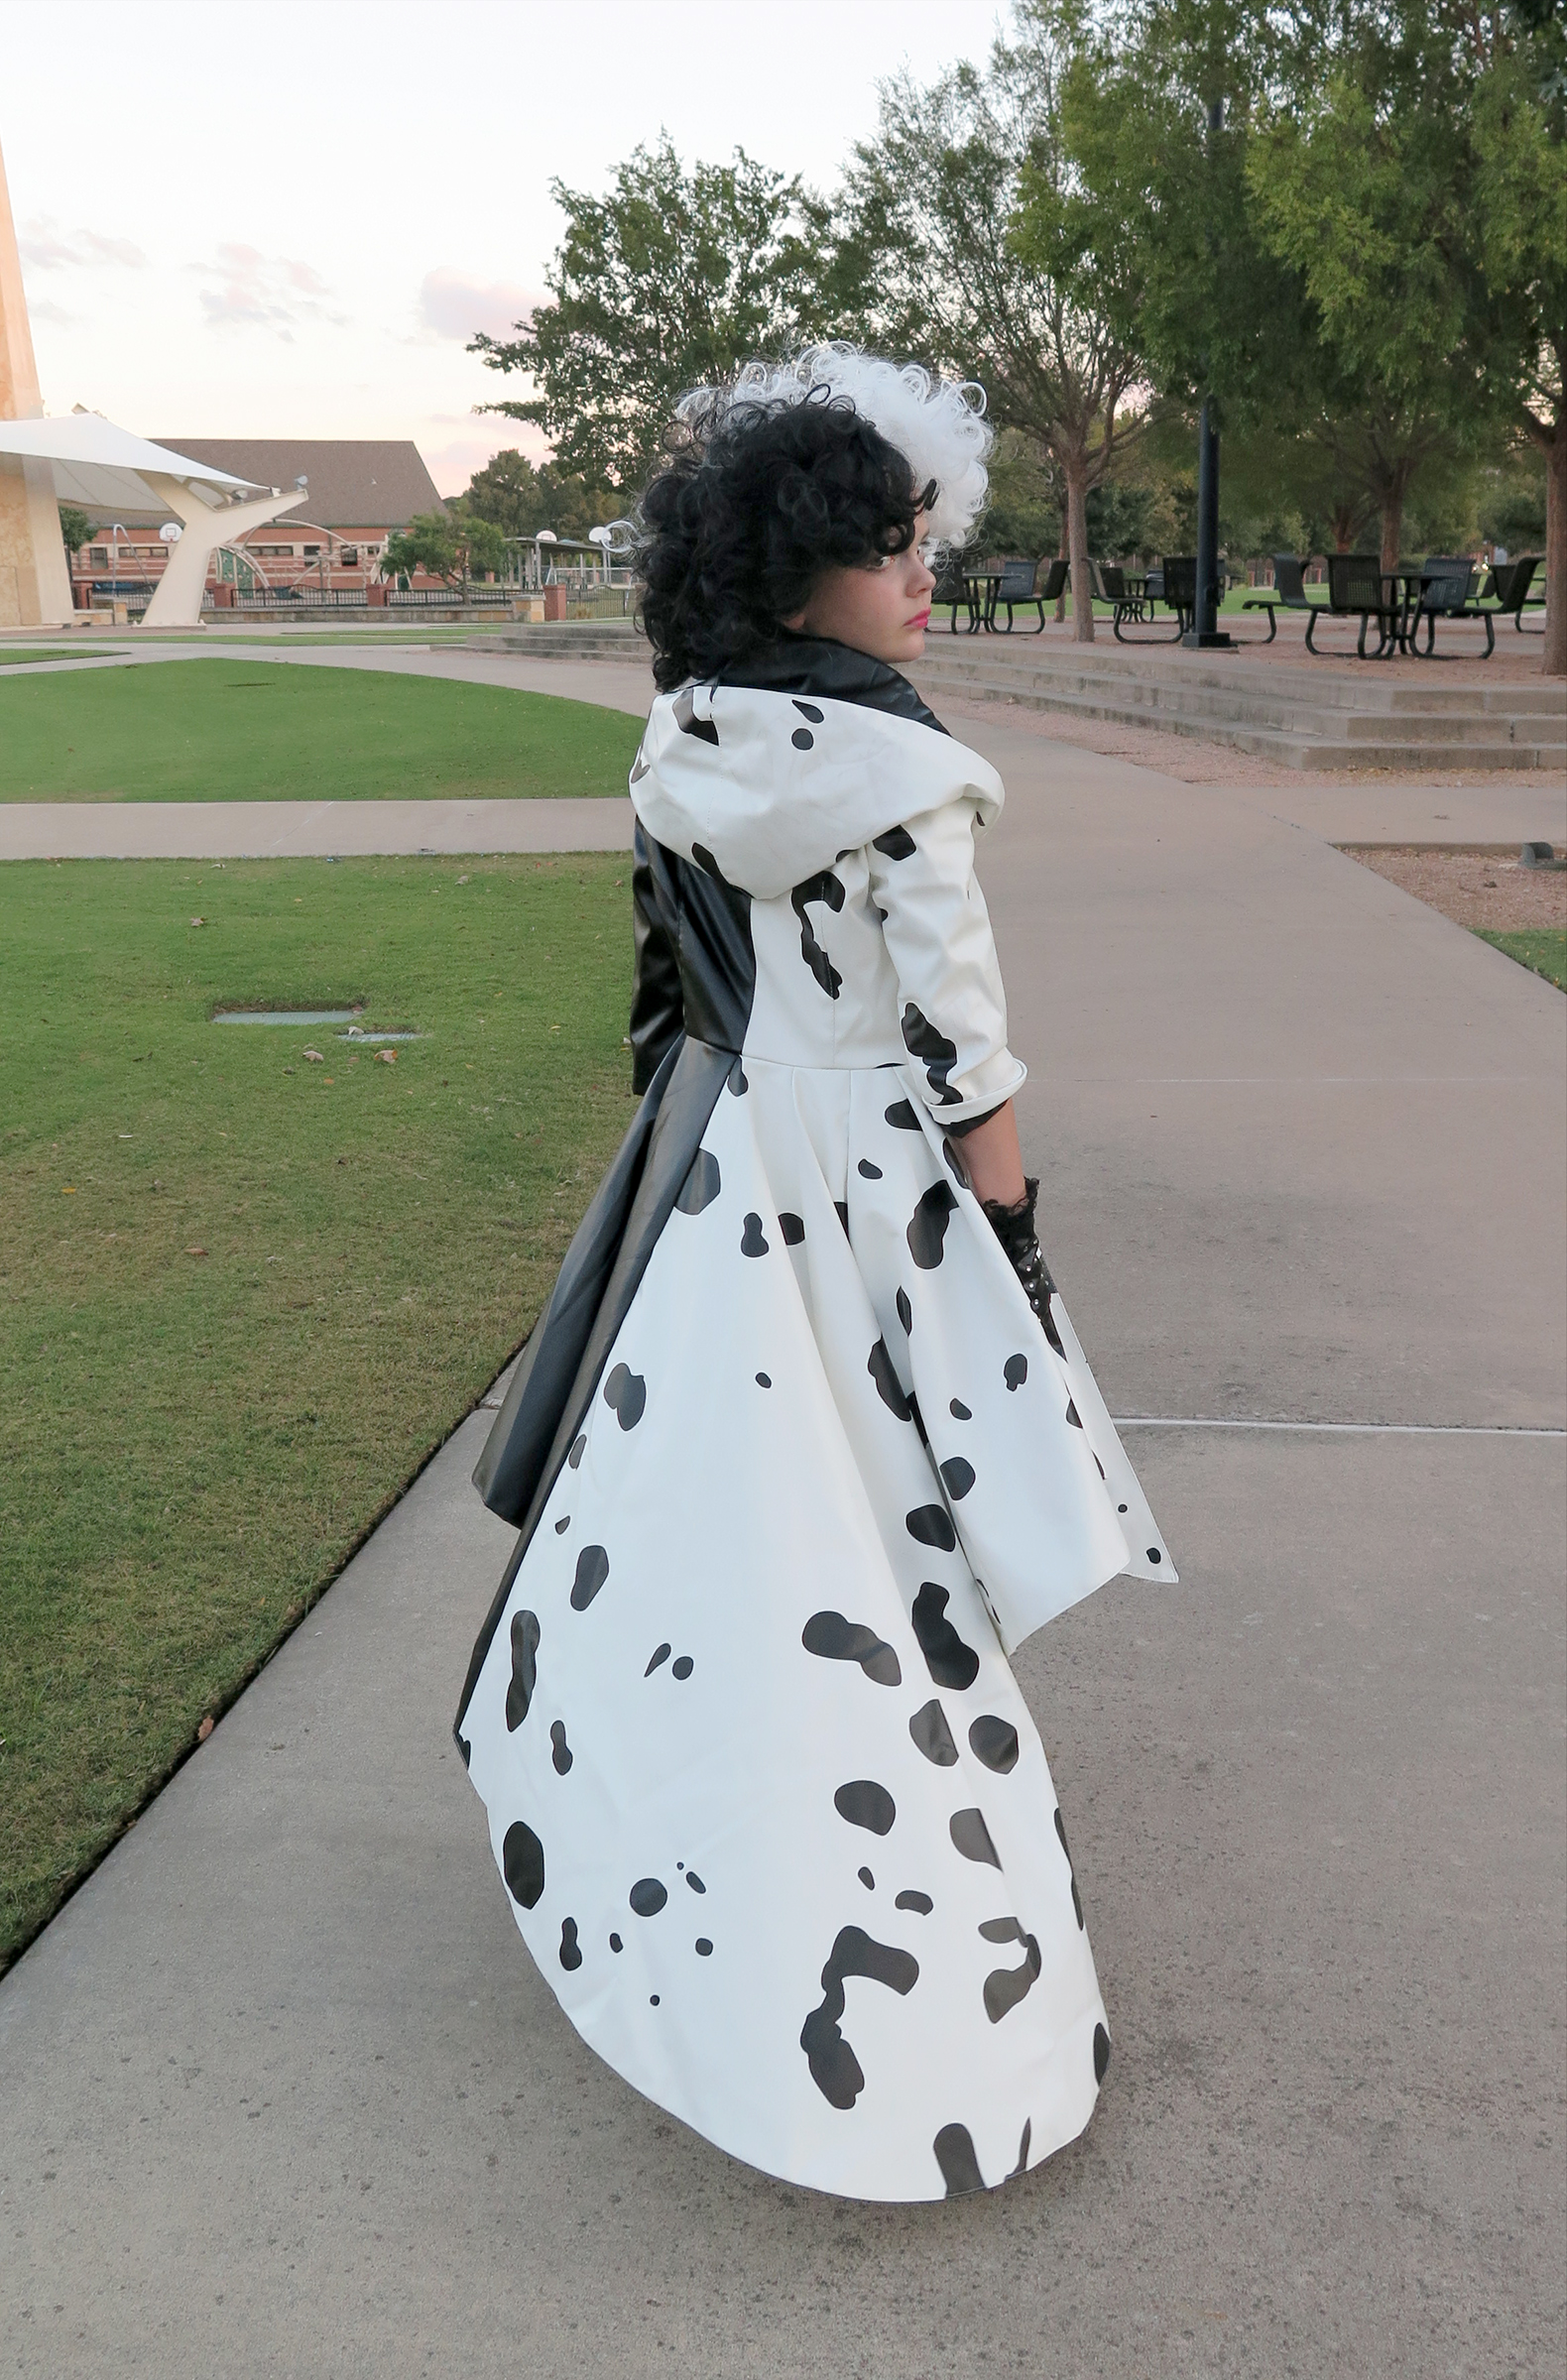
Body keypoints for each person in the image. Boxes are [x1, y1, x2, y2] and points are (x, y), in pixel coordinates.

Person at [454, 344, 1173, 2203]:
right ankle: (923, 2010)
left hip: (724, 1185)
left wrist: (680, 1170)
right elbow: (969, 1063)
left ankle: (679, 1911)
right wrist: (1010, 1261)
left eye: (922, 540)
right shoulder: (908, 784)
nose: (925, 577)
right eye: (888, 547)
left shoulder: (680, 745)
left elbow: (658, 1000)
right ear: (798, 576)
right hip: (878, 1208)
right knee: (901, 1574)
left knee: (731, 1557)